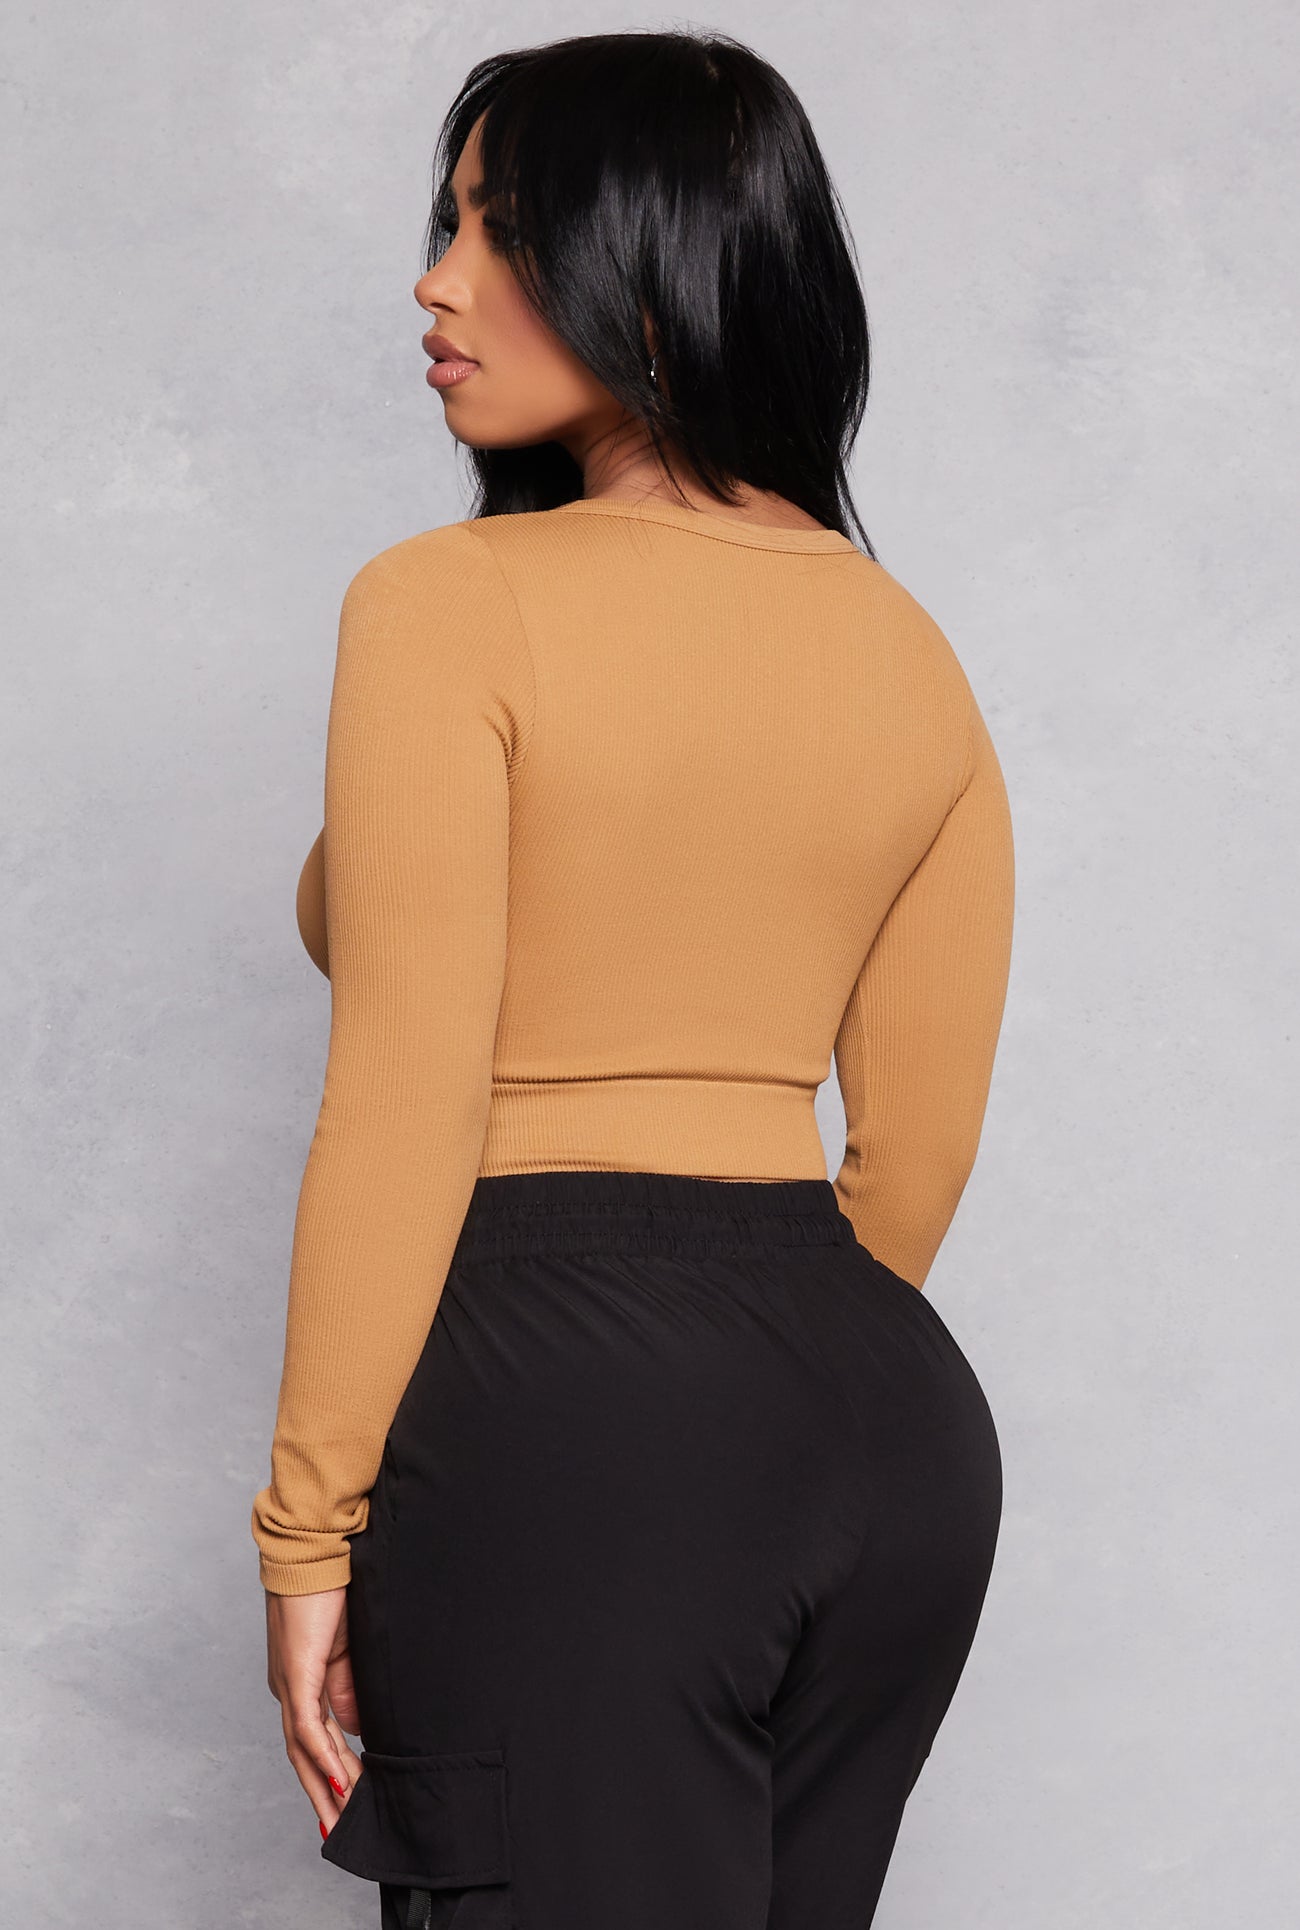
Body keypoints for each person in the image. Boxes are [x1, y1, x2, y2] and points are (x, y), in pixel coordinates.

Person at [250, 28, 1015, 1930]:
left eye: (500, 230)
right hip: (886, 1431)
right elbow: (918, 1149)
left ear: (653, 268)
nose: (436, 283)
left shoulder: (446, 608)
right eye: (444, 226)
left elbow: (406, 1093)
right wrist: (754, 1403)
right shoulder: (906, 643)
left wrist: (306, 1527)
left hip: (567, 1410)